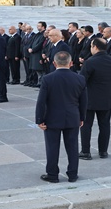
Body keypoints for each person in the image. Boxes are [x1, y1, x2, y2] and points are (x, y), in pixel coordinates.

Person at [36, 51, 87, 183]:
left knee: (52, 147)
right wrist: (82, 117)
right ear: (71, 63)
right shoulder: (80, 78)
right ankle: (73, 174)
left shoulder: (48, 79)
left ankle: (52, 174)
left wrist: (39, 119)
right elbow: (83, 101)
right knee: (73, 147)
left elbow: (41, 101)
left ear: (54, 63)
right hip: (72, 116)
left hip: (52, 117)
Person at [79, 38, 111, 160]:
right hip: (107, 97)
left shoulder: (90, 62)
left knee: (86, 125)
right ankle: (103, 151)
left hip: (91, 98)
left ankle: (86, 151)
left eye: (91, 46)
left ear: (95, 47)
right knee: (105, 125)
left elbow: (82, 80)